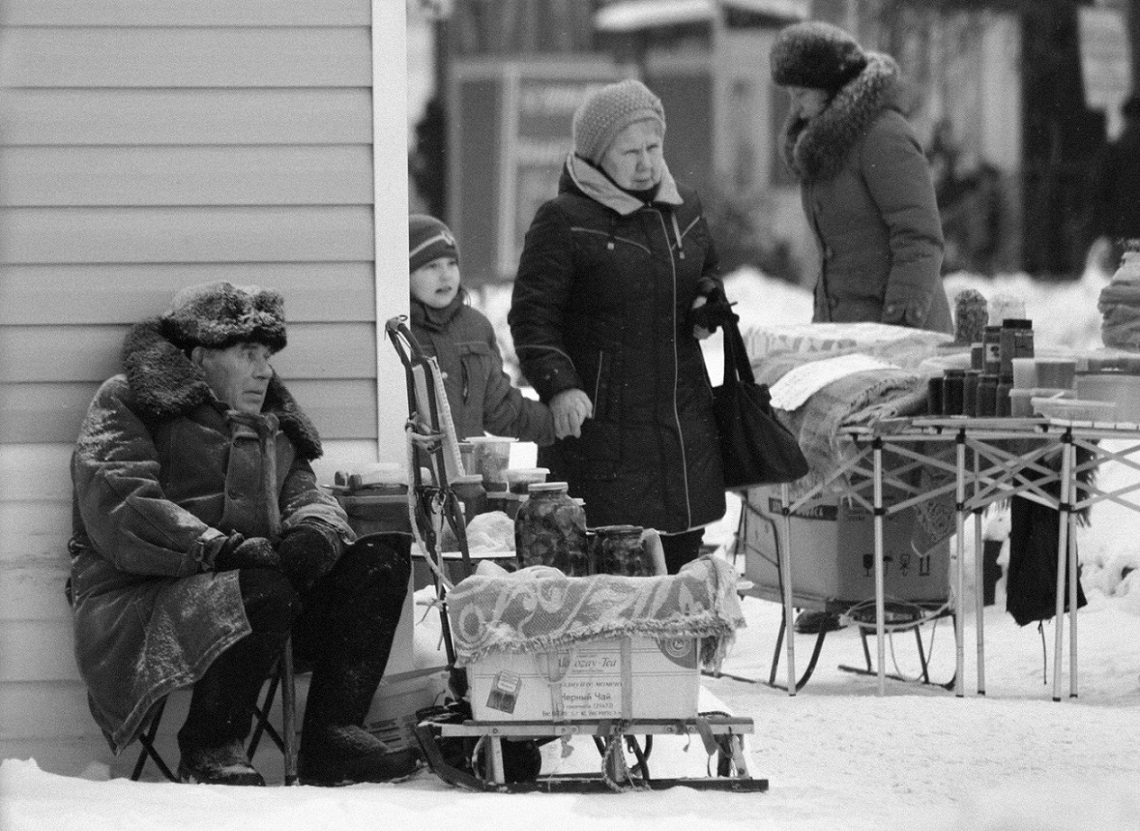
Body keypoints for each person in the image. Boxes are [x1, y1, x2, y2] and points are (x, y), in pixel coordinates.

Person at [67, 281, 417, 786]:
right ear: (200, 356)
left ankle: (332, 737)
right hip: (144, 601)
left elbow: (307, 496)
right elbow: (121, 505)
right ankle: (211, 746)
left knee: (381, 558)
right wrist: (218, 549)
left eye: (268, 356)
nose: (265, 370)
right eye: (249, 353)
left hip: (257, 599)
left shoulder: (274, 423)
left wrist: (314, 535)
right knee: (263, 587)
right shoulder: (129, 400)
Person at [508, 78, 735, 575]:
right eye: (630, 152)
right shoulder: (563, 220)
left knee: (680, 573)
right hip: (603, 431)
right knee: (615, 575)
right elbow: (532, 316)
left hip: (682, 423)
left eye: (653, 147)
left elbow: (707, 269)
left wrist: (706, 300)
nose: (646, 163)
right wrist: (560, 387)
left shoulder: (684, 208)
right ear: (596, 156)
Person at [770, 20, 952, 335]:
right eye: (790, 95)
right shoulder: (821, 146)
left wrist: (898, 327)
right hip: (852, 333)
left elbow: (919, 238)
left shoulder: (882, 135)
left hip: (900, 333)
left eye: (801, 94)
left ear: (830, 87)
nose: (795, 108)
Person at [408, 214, 555, 445]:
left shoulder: (475, 328)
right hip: (411, 466)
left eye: (451, 264)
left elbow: (499, 408)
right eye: (432, 266)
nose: (445, 275)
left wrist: (555, 422)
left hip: (469, 467)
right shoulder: (400, 333)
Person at [1091, 94, 1140, 271]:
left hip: (1122, 228)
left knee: (1127, 276)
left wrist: (1105, 227)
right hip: (1125, 224)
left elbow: (1100, 190)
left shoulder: (1115, 150)